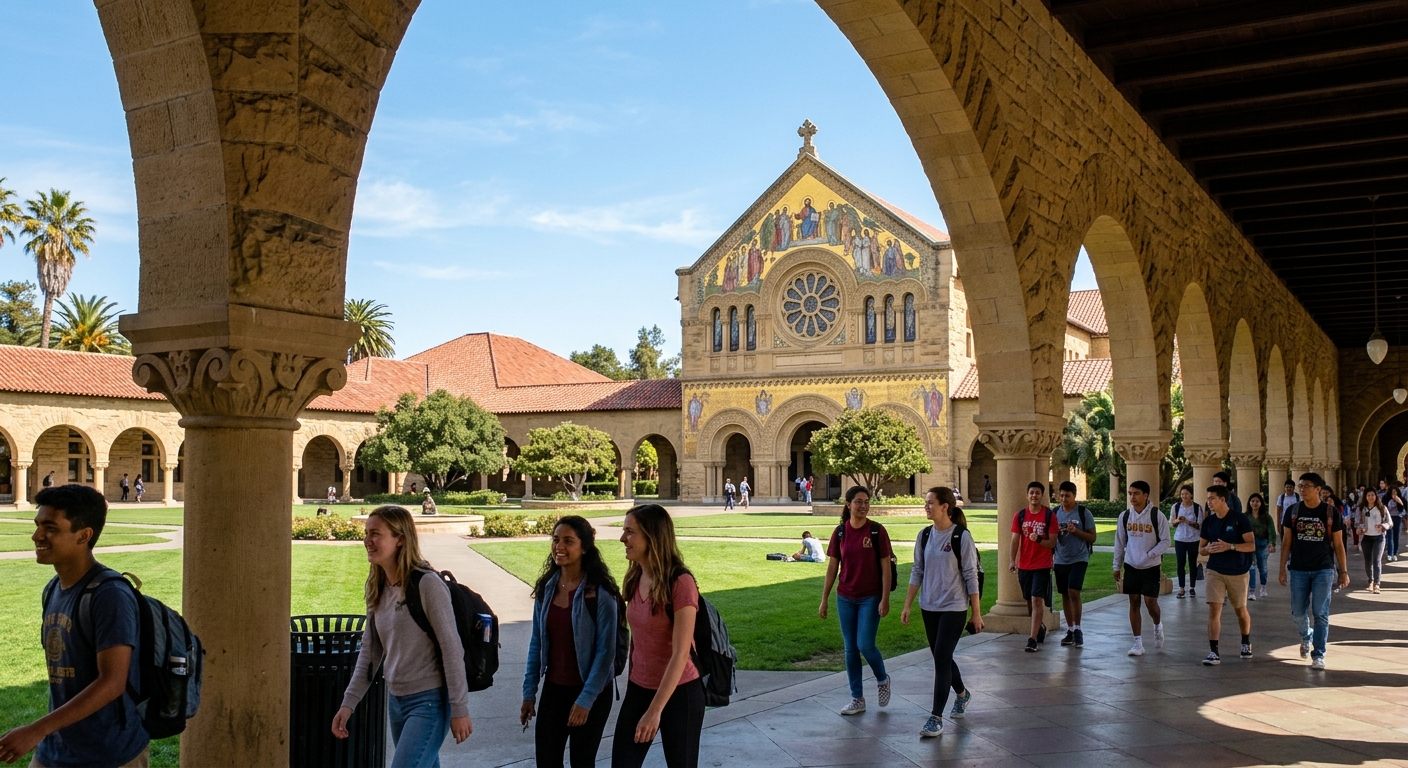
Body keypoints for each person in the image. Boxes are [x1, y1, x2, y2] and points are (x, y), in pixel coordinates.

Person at [0, 485, 149, 768]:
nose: (37, 536)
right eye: (37, 525)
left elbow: (112, 683)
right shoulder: (53, 588)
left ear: (84, 535)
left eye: (50, 528)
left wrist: (36, 729)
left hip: (108, 754)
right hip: (55, 750)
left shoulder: (109, 595)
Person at [334, 506, 472, 765]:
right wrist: (348, 703)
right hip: (396, 701)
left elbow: (451, 648)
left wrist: (459, 708)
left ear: (400, 539)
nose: (367, 541)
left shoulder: (427, 584)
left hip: (429, 703)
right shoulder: (378, 586)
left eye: (376, 534)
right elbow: (370, 652)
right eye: (366, 533)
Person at [521, 516, 619, 768]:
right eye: (555, 540)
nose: (559, 547)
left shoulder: (600, 593)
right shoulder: (547, 588)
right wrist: (529, 692)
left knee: (582, 762)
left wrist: (585, 701)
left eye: (568, 541)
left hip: (592, 692)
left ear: (584, 547)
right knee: (546, 761)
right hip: (555, 690)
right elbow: (537, 643)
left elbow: (605, 652)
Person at [612, 505, 704, 768]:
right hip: (639, 688)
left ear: (651, 536)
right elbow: (637, 641)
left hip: (680, 693)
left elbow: (681, 652)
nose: (622, 539)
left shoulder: (680, 582)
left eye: (630, 532)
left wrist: (655, 712)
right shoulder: (634, 576)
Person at [901, 486, 982, 738]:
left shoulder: (960, 537)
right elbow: (918, 570)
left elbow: (971, 575)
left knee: (942, 657)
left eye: (930, 503)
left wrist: (976, 613)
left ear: (945, 506)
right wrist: (907, 604)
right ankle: (962, 693)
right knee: (940, 657)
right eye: (926, 503)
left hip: (954, 607)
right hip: (929, 606)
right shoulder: (924, 535)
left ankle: (936, 717)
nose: (926, 507)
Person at [820, 486, 893, 716]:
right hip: (845, 597)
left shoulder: (876, 531)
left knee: (865, 644)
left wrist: (885, 598)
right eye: (858, 501)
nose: (863, 506)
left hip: (870, 597)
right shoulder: (840, 532)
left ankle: (882, 678)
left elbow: (885, 566)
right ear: (848, 504)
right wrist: (824, 599)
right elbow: (833, 566)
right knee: (850, 649)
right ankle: (857, 698)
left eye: (866, 502)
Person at [1278, 473, 1349, 670]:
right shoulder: (1292, 511)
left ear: (1318, 489)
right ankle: (1306, 636)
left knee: (1320, 612)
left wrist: (1343, 571)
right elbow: (1286, 542)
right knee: (1298, 613)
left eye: (1306, 486)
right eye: (1300, 485)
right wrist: (1282, 568)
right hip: (1299, 568)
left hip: (1323, 569)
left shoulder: (1330, 512)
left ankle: (1318, 653)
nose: (1302, 489)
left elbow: (1338, 543)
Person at [1113, 480, 1169, 657]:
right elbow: (1119, 542)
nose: (1132, 497)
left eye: (1136, 493)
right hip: (1131, 565)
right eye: (1130, 493)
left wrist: (1152, 554)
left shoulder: (1156, 515)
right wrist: (1117, 565)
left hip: (1151, 566)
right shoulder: (1125, 516)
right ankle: (1137, 642)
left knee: (1150, 603)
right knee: (1134, 601)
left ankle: (1157, 625)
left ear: (1146, 495)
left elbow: (1166, 541)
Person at [1200, 485, 1255, 665]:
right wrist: (1207, 550)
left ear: (1223, 499)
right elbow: (1201, 549)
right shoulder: (1208, 522)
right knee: (1214, 609)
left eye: (1212, 498)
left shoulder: (1240, 519)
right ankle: (1213, 651)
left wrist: (1230, 546)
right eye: (1208, 499)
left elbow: (1251, 545)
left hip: (1237, 571)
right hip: (1215, 569)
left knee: (1240, 610)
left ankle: (1246, 641)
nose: (1209, 502)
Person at [1008, 481, 1056, 652]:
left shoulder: (1049, 516)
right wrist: (1012, 560)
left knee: (1037, 600)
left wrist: (1039, 540)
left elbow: (1052, 543)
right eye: (1031, 493)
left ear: (1042, 495)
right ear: (1027, 495)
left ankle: (1032, 639)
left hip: (1042, 565)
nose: (1034, 496)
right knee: (1029, 600)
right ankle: (1039, 627)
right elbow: (1015, 539)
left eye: (1037, 493)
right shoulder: (1020, 516)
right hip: (1025, 565)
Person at [1052, 481, 1096, 647]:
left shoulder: (1084, 513)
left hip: (1079, 558)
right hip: (1061, 559)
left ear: (1074, 496)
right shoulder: (1055, 513)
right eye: (1061, 496)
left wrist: (1076, 531)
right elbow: (1051, 537)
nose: (1064, 499)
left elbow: (1092, 537)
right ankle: (1070, 630)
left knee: (1074, 591)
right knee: (1064, 593)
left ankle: (1078, 629)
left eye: (1067, 496)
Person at [1171, 485, 1203, 599]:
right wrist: (1178, 520)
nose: (1184, 496)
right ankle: (1181, 588)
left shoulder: (1197, 508)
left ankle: (1192, 587)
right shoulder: (1176, 506)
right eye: (1182, 494)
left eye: (1186, 494)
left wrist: (1188, 522)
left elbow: (1199, 525)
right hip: (1179, 538)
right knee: (1180, 563)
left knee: (1192, 563)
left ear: (1191, 495)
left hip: (1193, 539)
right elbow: (1172, 523)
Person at [1357, 489, 1390, 594]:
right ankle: (1370, 580)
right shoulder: (1362, 509)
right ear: (1365, 497)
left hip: (1379, 537)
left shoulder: (1382, 508)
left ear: (1376, 496)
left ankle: (1377, 583)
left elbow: (1389, 522)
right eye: (1368, 495)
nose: (1370, 497)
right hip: (1366, 537)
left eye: (1372, 495)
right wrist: (1361, 529)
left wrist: (1383, 526)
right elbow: (1357, 523)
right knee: (1368, 561)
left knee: (1376, 560)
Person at [1245, 493, 1276, 600]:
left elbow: (1271, 530)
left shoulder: (1266, 517)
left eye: (1257, 501)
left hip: (1262, 544)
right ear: (1249, 503)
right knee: (1251, 567)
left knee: (1263, 568)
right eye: (1252, 501)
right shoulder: (1245, 516)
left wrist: (1271, 543)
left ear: (1261, 503)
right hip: (1249, 544)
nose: (1255, 503)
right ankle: (1252, 591)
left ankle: (1263, 587)